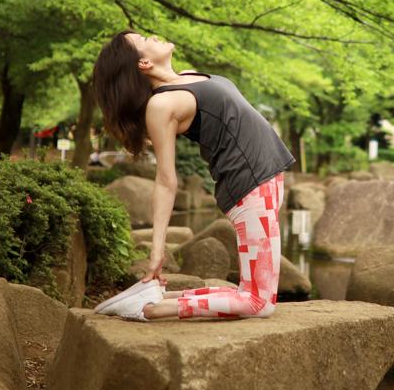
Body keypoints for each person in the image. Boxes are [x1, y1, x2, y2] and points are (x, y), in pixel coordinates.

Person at [90, 30, 295, 321]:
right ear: (143, 64)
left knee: (252, 292)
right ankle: (152, 309)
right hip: (249, 186)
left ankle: (156, 296)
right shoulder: (162, 105)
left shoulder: (187, 75)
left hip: (265, 178)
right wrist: (157, 251)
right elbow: (165, 179)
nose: (153, 35)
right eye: (143, 40)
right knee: (260, 303)